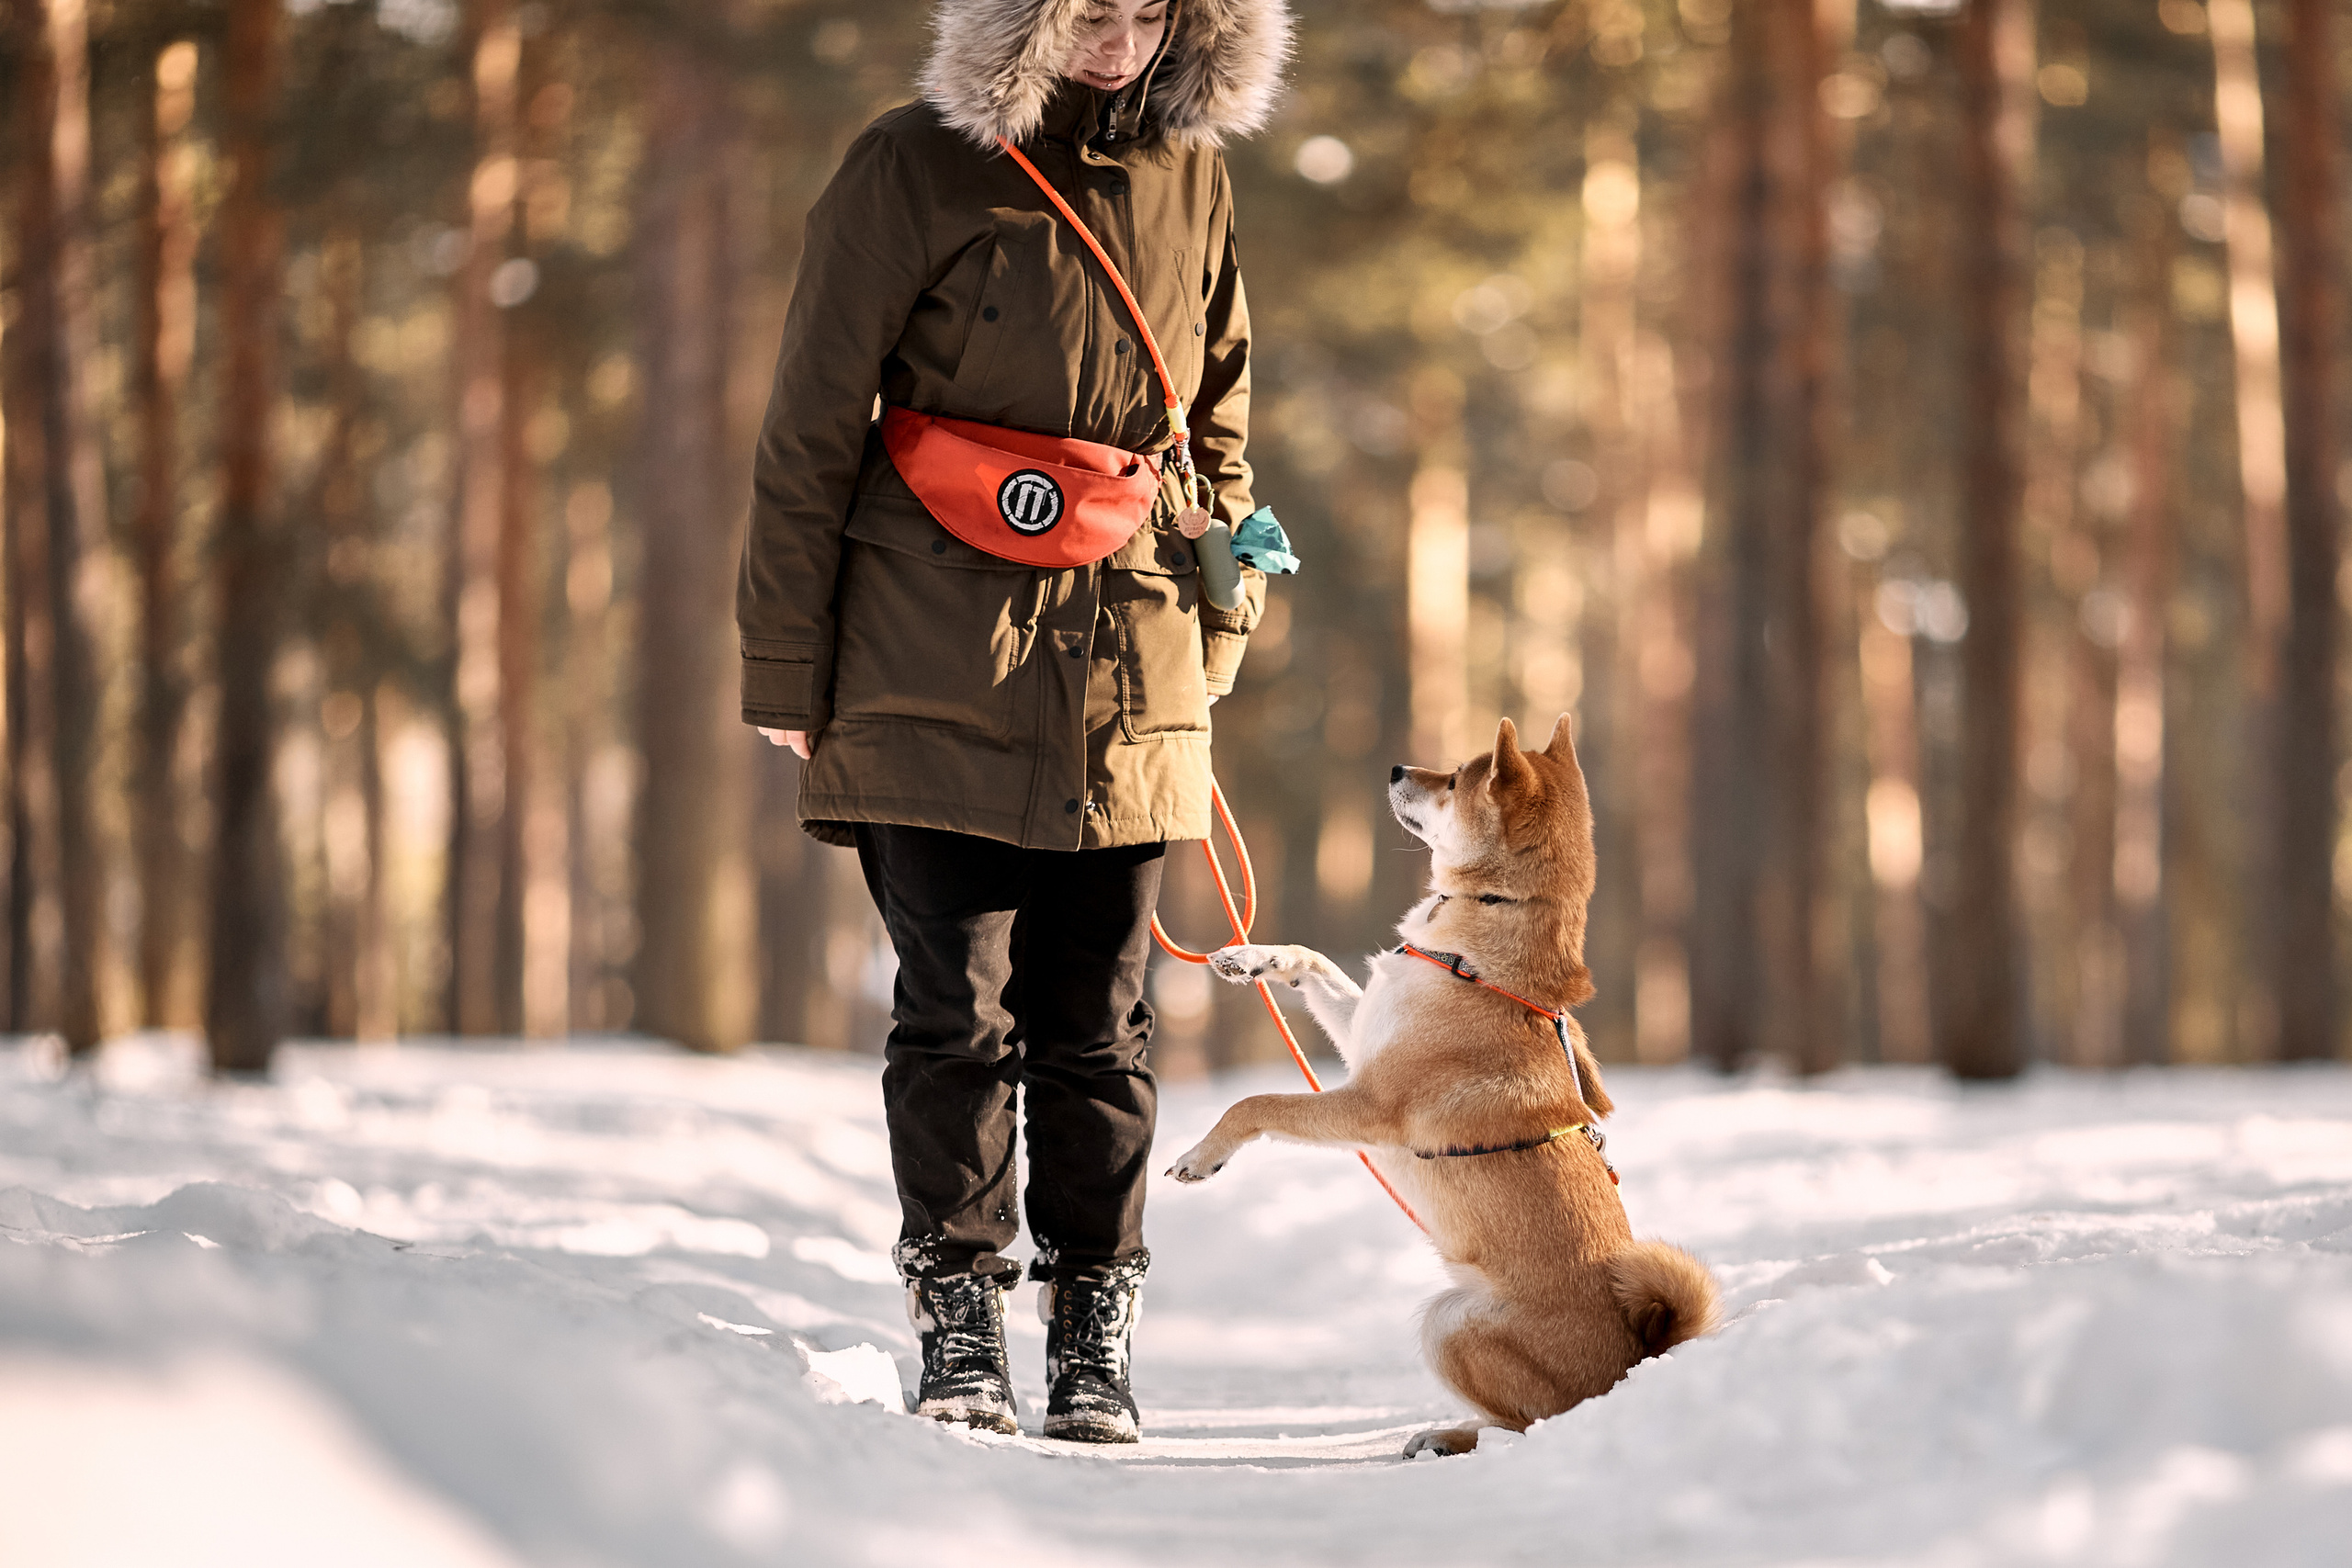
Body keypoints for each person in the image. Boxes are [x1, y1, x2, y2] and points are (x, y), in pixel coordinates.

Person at [736, 0, 1290, 1442]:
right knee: (953, 1013)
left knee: (1101, 1024)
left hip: (1130, 657)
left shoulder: (1194, 170)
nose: (1116, 36)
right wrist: (789, 672)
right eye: (1085, 7)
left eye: (1147, 9)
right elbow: (809, 423)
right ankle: (960, 1320)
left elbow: (1216, 420)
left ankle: (1095, 1336)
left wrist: (1222, 609)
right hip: (929, 652)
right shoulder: (911, 163)